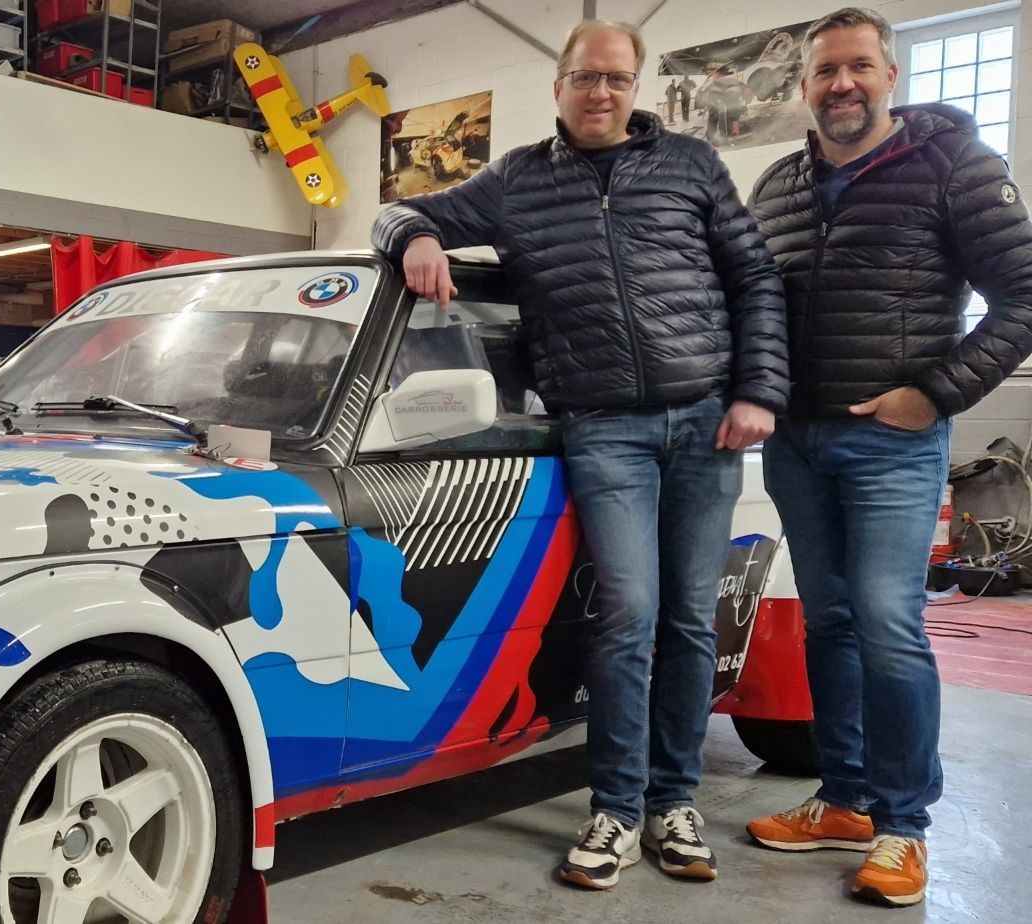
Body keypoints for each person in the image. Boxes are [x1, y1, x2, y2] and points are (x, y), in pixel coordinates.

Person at [370, 19, 788, 890]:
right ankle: (617, 810)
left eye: (617, 78)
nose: (601, 92)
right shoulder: (516, 180)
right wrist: (415, 239)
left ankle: (674, 803)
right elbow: (399, 209)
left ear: (635, 87)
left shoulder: (691, 166)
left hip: (705, 420)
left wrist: (758, 391)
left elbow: (754, 276)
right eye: (586, 77)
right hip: (603, 428)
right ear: (557, 85)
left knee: (687, 620)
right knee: (629, 615)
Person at [745, 7, 1032, 908]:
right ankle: (844, 798)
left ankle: (903, 826)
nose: (843, 84)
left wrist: (937, 394)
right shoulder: (779, 185)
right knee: (828, 623)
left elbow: (1024, 296)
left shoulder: (955, 166)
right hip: (797, 441)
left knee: (887, 625)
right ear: (804, 85)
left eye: (859, 67)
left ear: (889, 77)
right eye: (826, 70)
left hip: (893, 442)